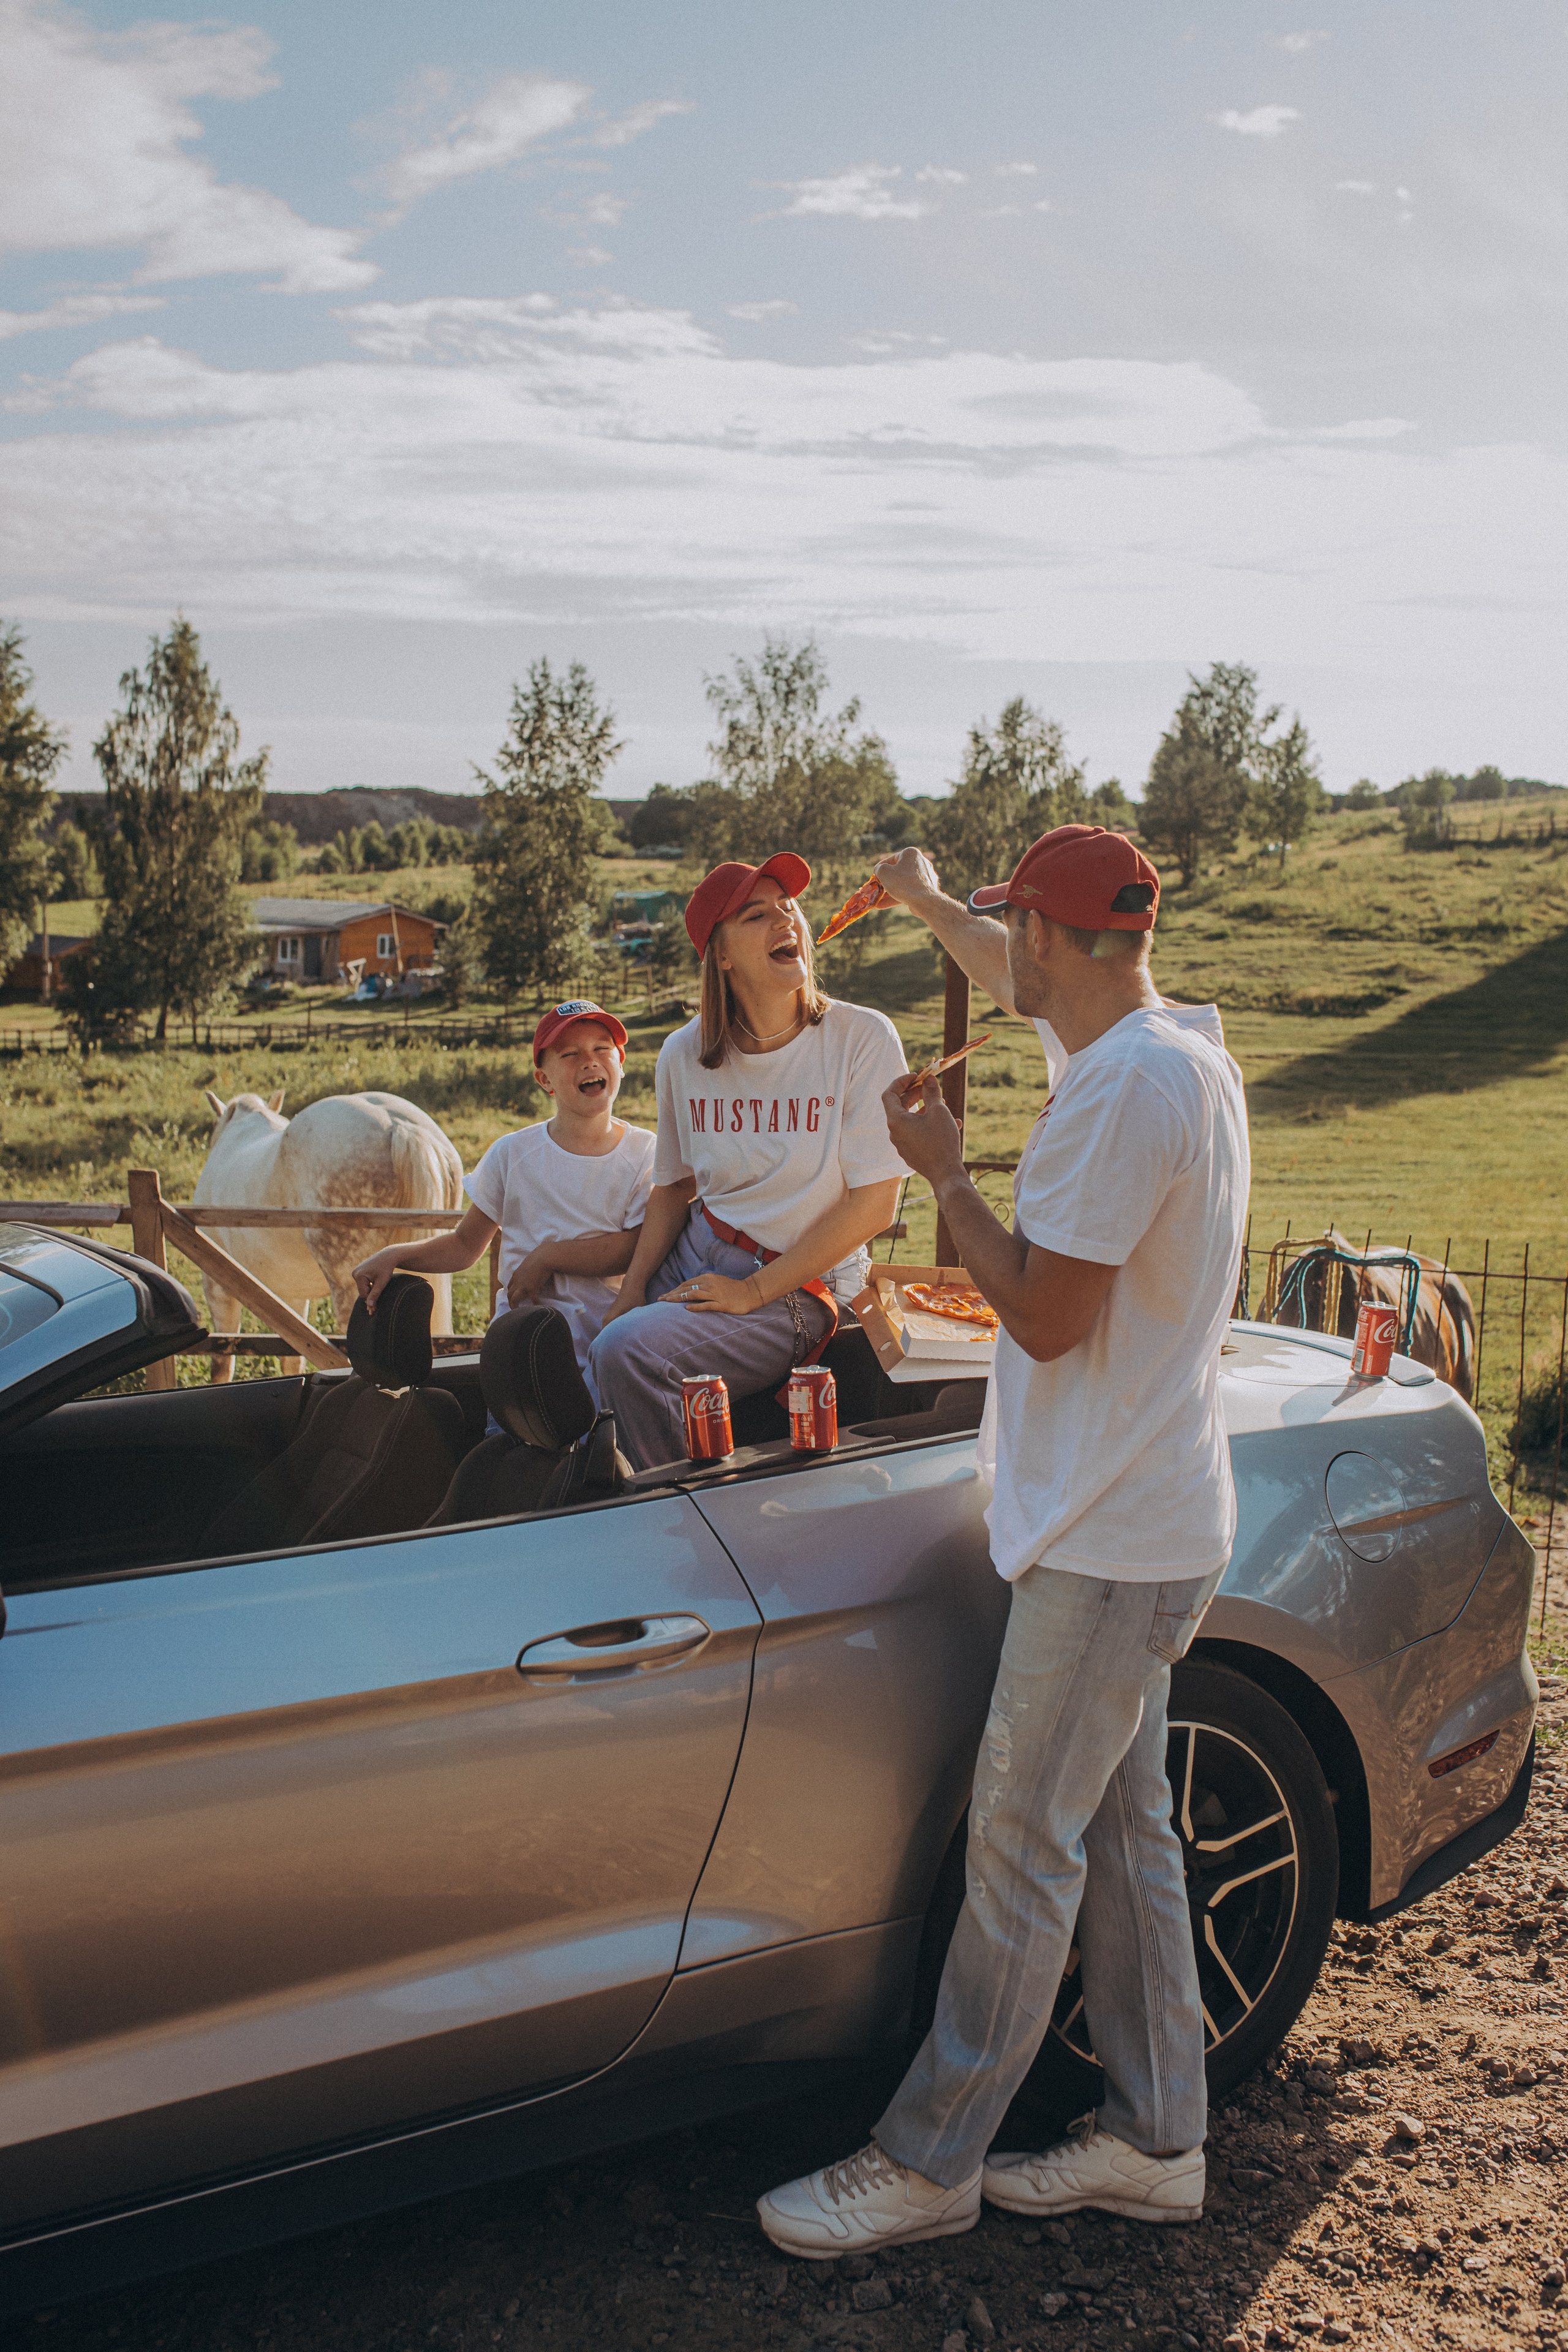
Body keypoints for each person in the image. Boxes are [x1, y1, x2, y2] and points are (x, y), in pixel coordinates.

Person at [758, 824, 1250, 2255]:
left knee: (1019, 1846)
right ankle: (1156, 2139)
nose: (1000, 953)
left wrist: (941, 1173)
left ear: (1052, 936)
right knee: (1122, 1833)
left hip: (1102, 1539)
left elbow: (1039, 1313)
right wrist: (925, 903)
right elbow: (1006, 966)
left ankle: (927, 2161)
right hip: (1148, 1514)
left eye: (1007, 928)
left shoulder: (1121, 1096)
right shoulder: (1162, 1046)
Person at [587, 853, 908, 1470]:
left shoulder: (861, 1038)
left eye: (788, 907)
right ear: (722, 957)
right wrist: (630, 1290)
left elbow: (875, 1204)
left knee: (628, 1354)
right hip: (702, 1248)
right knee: (591, 1335)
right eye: (757, 915)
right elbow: (673, 1188)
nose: (786, 919)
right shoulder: (684, 1053)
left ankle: (676, 1508)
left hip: (801, 1280)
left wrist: (752, 1290)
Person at [353, 1001, 656, 1369]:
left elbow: (635, 1247)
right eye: (570, 1054)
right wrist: (395, 1255)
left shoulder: (645, 1152)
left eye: (602, 1049)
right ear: (544, 1080)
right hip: (521, 1349)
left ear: (621, 1063)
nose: (590, 1062)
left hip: (608, 1346)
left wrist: (546, 1257)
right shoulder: (513, 1153)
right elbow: (465, 1245)